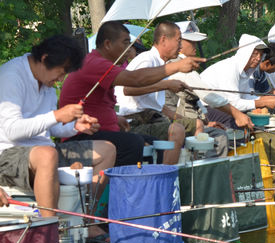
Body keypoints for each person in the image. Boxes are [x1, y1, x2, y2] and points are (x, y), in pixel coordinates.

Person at [0, 35, 116, 222]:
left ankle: (85, 218)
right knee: (47, 155)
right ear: (45, 58)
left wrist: (74, 126)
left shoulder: (45, 80)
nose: (60, 79)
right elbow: (12, 130)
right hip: (7, 155)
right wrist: (56, 115)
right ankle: (50, 230)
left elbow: (50, 129)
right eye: (61, 72)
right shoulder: (10, 77)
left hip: (45, 152)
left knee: (107, 150)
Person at [60, 21, 203, 166]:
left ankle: (160, 183)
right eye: (125, 43)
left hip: (105, 132)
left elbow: (97, 105)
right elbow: (134, 80)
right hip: (81, 137)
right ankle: (127, 186)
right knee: (134, 144)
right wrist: (176, 66)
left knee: (157, 146)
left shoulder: (101, 64)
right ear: (108, 44)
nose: (129, 49)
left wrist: (115, 118)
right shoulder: (95, 64)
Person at [115, 21, 199, 164]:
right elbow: (127, 89)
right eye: (178, 41)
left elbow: (156, 105)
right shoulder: (147, 59)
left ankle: (192, 172)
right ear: (163, 40)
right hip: (132, 122)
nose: (180, 46)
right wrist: (166, 85)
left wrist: (181, 117)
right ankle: (165, 178)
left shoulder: (160, 63)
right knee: (177, 130)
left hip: (152, 117)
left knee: (197, 124)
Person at [164, 21, 253, 156]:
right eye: (191, 42)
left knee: (222, 133)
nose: (195, 46)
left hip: (194, 120)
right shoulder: (177, 66)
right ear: (179, 43)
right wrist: (236, 113)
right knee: (220, 138)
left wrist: (207, 121)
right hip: (177, 122)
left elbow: (197, 99)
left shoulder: (186, 66)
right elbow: (208, 95)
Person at [199, 34, 275, 126]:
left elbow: (246, 97)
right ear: (245, 53)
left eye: (261, 55)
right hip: (204, 108)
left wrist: (272, 100)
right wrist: (263, 102)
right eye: (255, 54)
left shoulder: (246, 72)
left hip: (221, 107)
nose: (258, 58)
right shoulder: (230, 68)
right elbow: (234, 104)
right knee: (238, 118)